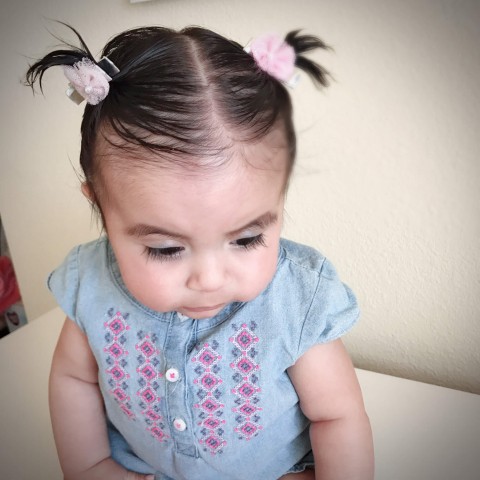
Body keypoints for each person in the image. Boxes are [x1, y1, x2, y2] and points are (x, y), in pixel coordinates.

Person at [25, 23, 374, 480]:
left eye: (246, 240)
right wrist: (89, 465)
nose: (210, 279)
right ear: (102, 210)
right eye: (166, 248)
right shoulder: (90, 282)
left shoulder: (295, 300)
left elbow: (337, 415)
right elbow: (73, 379)